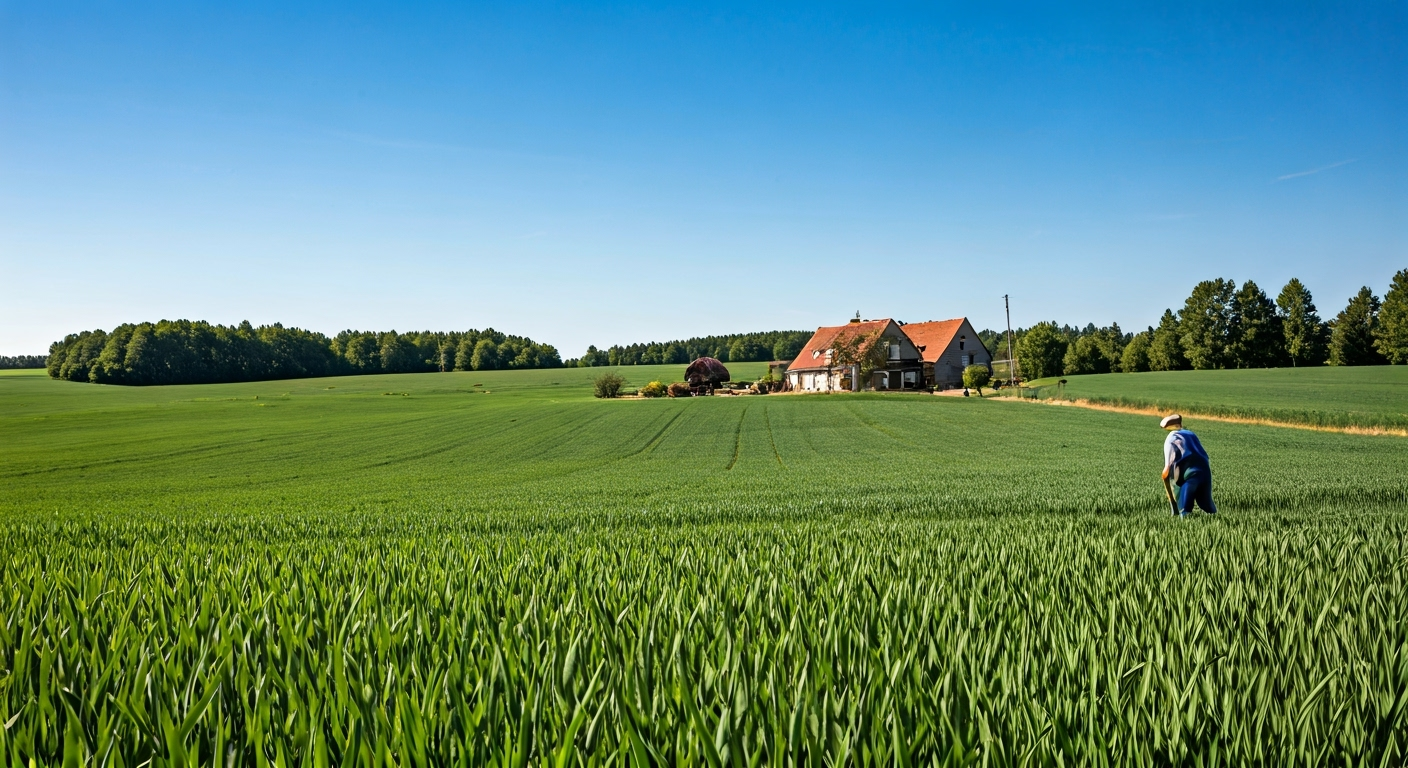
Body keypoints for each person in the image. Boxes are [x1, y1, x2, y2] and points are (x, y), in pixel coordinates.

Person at [1160, 414, 1216, 516]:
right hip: (1205, 472)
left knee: (1184, 510)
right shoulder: (1191, 434)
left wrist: (1165, 477)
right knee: (1208, 507)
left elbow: (1167, 469)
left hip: (1188, 476)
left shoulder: (1171, 438)